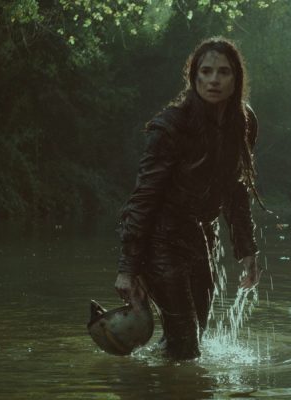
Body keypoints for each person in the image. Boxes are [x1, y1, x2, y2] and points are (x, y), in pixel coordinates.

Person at [113, 37, 263, 360]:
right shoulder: (171, 125)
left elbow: (236, 191)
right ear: (194, 77)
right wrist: (127, 267)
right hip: (160, 241)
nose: (213, 79)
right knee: (186, 344)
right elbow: (143, 198)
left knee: (194, 336)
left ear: (236, 79)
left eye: (223, 72)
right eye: (206, 71)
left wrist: (246, 250)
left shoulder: (243, 123)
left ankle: (154, 379)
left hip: (200, 238)